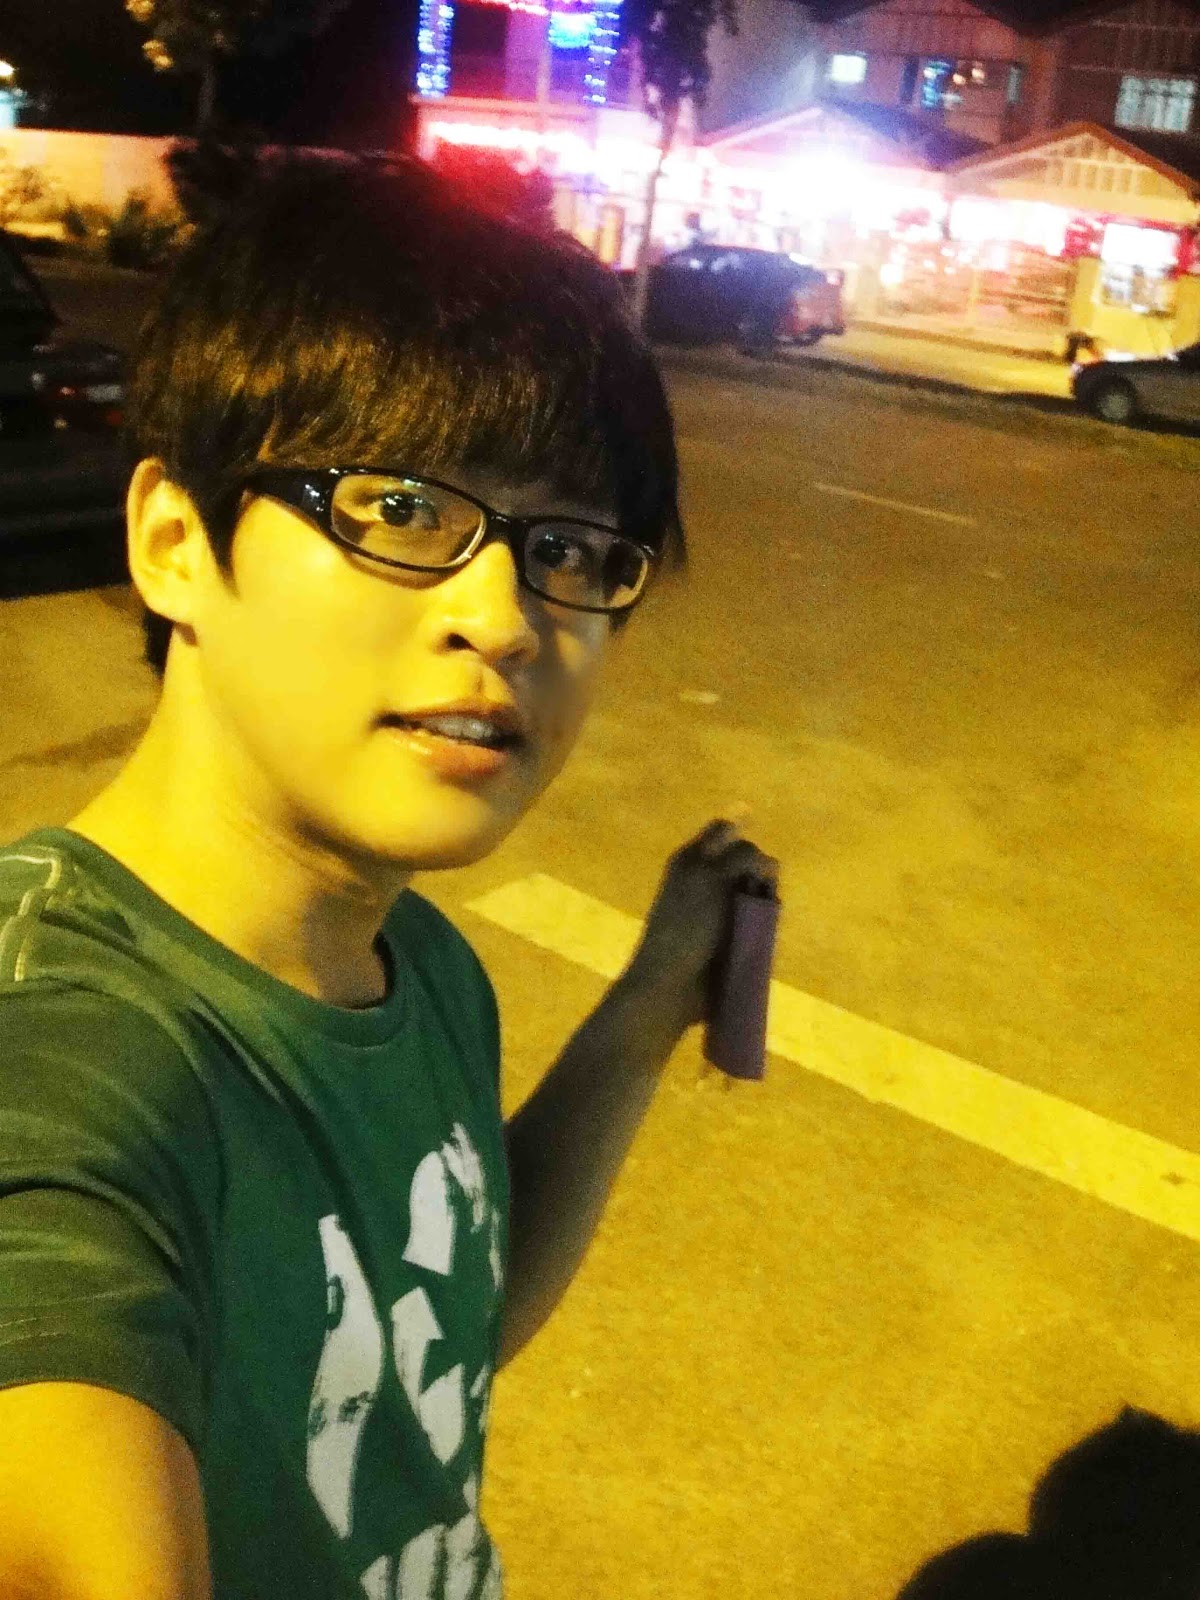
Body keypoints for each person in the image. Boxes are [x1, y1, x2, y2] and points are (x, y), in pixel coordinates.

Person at [0, 155, 779, 1600]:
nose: (506, 617)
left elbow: (446, 1339)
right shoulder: (58, 1048)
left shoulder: (418, 970)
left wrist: (647, 1004)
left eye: (570, 548)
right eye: (404, 511)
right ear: (173, 543)